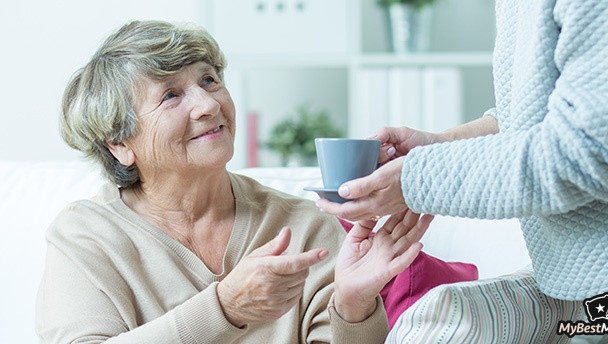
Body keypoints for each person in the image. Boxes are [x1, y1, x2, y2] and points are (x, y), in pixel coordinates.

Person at [35, 20, 434, 343]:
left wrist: (353, 307)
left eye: (209, 80)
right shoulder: (85, 236)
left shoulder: (303, 225)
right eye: (171, 95)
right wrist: (223, 309)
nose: (209, 105)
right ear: (120, 143)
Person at [318, 0, 608, 342]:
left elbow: (591, 153)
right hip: (594, 288)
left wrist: (414, 178)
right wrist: (436, 145)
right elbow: (536, 115)